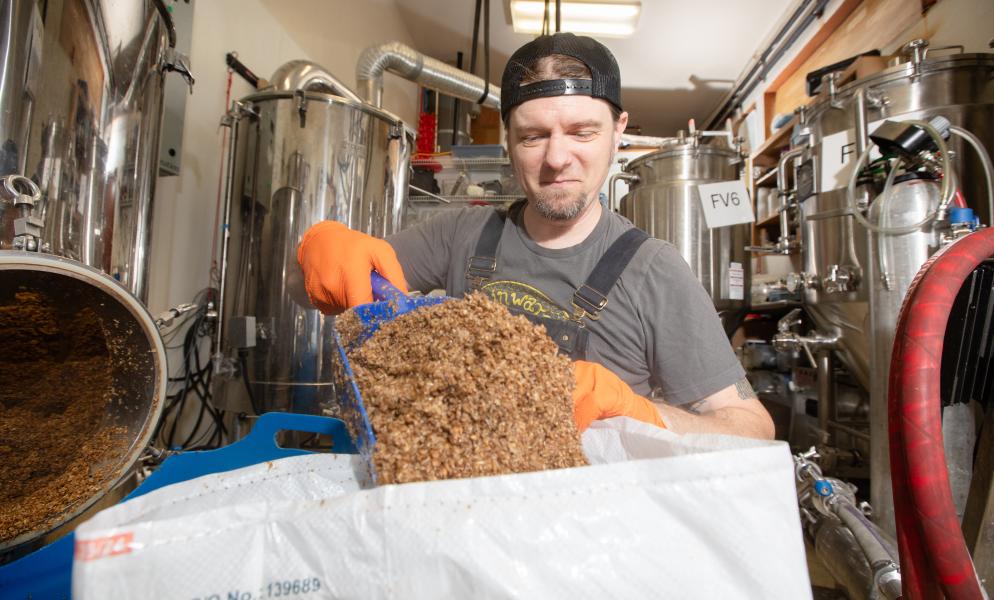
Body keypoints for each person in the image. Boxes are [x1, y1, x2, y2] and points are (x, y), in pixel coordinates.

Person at [298, 33, 774, 440]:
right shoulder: (460, 234)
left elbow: (753, 429)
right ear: (508, 140)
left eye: (582, 132)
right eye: (533, 136)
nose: (557, 159)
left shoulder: (655, 270)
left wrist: (641, 413)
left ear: (618, 132)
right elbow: (309, 291)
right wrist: (316, 249)